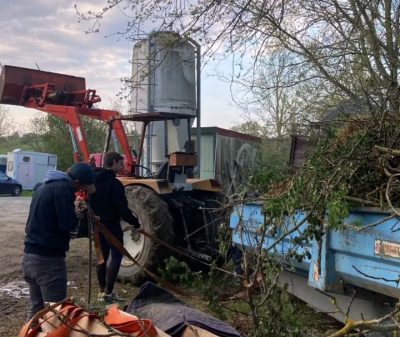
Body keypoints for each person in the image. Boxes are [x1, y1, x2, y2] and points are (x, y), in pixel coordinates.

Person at [23, 163, 95, 319]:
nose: (80, 191)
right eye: (81, 188)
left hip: (30, 256)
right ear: (76, 182)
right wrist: (77, 215)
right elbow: (67, 224)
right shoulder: (63, 190)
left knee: (37, 309)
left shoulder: (44, 186)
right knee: (56, 313)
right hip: (48, 261)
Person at [89, 151, 140, 302]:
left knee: (101, 257)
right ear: (114, 162)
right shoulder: (115, 184)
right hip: (111, 225)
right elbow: (123, 210)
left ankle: (101, 292)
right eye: (121, 163)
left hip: (97, 225)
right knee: (117, 255)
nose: (123, 166)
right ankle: (108, 292)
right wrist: (136, 223)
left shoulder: (93, 181)